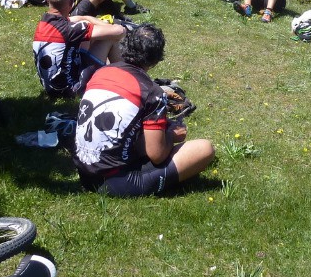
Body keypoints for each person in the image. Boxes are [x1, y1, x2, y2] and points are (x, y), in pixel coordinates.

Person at [73, 23, 215, 197]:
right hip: (115, 182)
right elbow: (157, 155)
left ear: (126, 46)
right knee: (205, 148)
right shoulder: (152, 92)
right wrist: (172, 135)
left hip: (83, 172)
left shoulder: (101, 72)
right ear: (156, 60)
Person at [33, 0, 126, 99]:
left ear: (47, 0)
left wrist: (86, 18)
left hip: (53, 88)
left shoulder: (44, 22)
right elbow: (119, 31)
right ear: (71, 3)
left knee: (87, 36)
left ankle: (111, 73)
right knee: (109, 39)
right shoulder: (70, 29)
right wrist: (105, 24)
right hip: (72, 90)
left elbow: (76, 20)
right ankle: (126, 77)